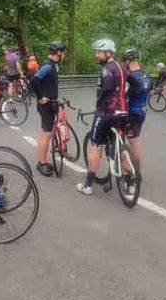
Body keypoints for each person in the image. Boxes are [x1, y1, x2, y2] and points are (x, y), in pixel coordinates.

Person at [77, 38, 132, 196]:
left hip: (106, 112)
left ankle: (87, 186)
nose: (96, 55)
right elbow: (131, 83)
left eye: (99, 52)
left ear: (108, 53)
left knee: (95, 146)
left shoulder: (107, 69)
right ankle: (131, 184)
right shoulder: (123, 66)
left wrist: (99, 103)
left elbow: (106, 88)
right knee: (119, 147)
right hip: (122, 111)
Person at [31, 41, 65, 177]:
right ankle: (41, 163)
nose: (65, 55)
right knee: (46, 133)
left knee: (48, 131)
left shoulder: (54, 66)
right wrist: (40, 97)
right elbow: (34, 80)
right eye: (64, 53)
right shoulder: (48, 66)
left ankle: (44, 158)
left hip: (52, 103)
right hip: (46, 105)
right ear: (59, 53)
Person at [123, 49, 148, 177]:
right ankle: (137, 170)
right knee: (135, 141)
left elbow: (124, 94)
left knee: (132, 142)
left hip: (132, 111)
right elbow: (150, 91)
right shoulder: (145, 74)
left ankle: (136, 172)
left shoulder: (130, 76)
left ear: (128, 60)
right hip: (143, 110)